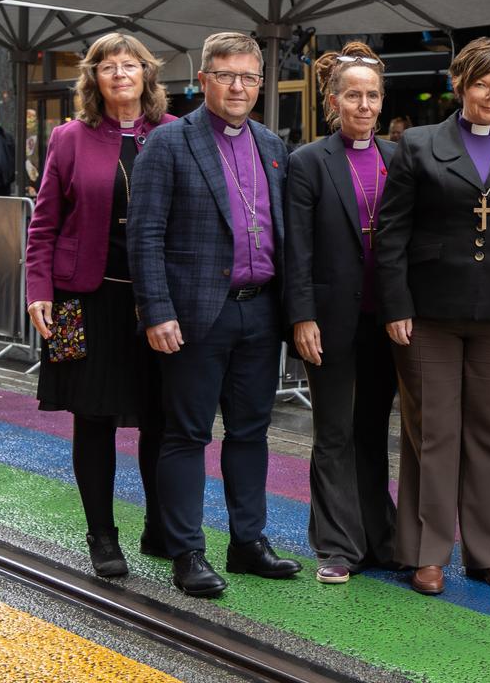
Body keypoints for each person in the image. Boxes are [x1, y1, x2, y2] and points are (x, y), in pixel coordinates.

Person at [128, 31, 301, 598]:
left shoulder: (272, 145)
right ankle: (186, 551)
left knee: (251, 432)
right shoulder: (168, 143)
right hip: (195, 316)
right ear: (203, 79)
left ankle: (248, 542)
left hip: (260, 313)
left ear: (261, 83)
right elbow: (145, 234)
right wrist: (156, 310)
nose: (238, 87)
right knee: (187, 434)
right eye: (226, 75)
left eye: (249, 77)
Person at [375, 37, 490, 597]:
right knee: (432, 432)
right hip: (428, 313)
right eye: (481, 84)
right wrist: (396, 304)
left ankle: (489, 552)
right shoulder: (418, 144)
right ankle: (426, 553)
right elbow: (391, 232)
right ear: (459, 85)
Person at [25, 33, 174, 579]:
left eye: (129, 65)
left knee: (161, 416)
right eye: (107, 67)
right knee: (92, 419)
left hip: (158, 299)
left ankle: (162, 526)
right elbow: (44, 222)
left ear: (146, 74)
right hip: (82, 297)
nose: (119, 74)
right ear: (93, 78)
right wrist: (38, 289)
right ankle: (102, 536)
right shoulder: (68, 137)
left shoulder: (174, 133)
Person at [283, 42, 399, 585]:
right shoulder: (308, 161)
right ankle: (335, 545)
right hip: (328, 319)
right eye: (353, 96)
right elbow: (297, 248)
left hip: (385, 318)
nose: (364, 105)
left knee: (373, 431)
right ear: (334, 101)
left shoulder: (398, 158)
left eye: (372, 96)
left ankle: (380, 537)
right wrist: (301, 316)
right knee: (334, 433)